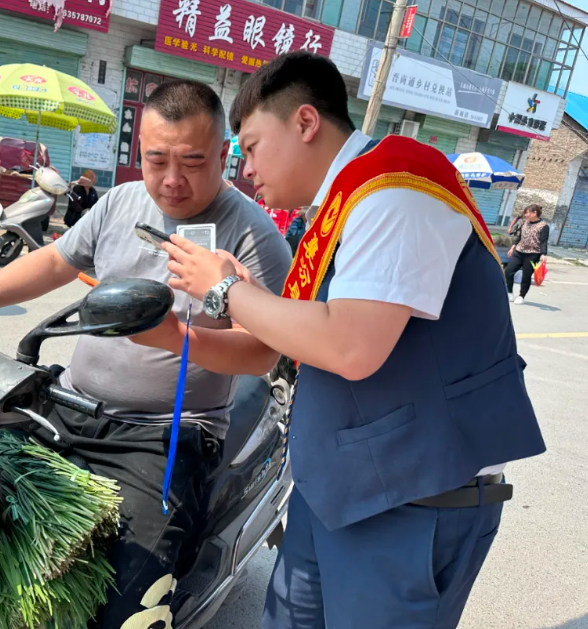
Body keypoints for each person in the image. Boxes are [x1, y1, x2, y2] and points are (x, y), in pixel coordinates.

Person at [161, 52, 545, 629]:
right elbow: (309, 333)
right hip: (342, 492)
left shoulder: (396, 185)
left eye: (252, 147)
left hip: (406, 507)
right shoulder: (343, 205)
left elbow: (350, 346)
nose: (247, 169)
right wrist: (236, 291)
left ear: (306, 123)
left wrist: (225, 293)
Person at [0, 80, 292, 628]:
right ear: (139, 153)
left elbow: (259, 355)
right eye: (157, 160)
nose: (172, 180)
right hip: (68, 407)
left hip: (165, 437)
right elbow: (58, 261)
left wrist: (175, 338)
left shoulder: (254, 236)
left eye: (193, 162)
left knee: (128, 602)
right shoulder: (121, 202)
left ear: (224, 156)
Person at [505, 204, 548, 304]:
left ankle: (521, 296)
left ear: (534, 213)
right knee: (508, 271)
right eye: (525, 213)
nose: (525, 215)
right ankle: (509, 293)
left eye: (527, 213)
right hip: (519, 251)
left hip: (533, 254)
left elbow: (543, 241)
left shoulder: (543, 226)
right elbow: (520, 236)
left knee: (526, 276)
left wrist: (543, 254)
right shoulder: (525, 222)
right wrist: (513, 247)